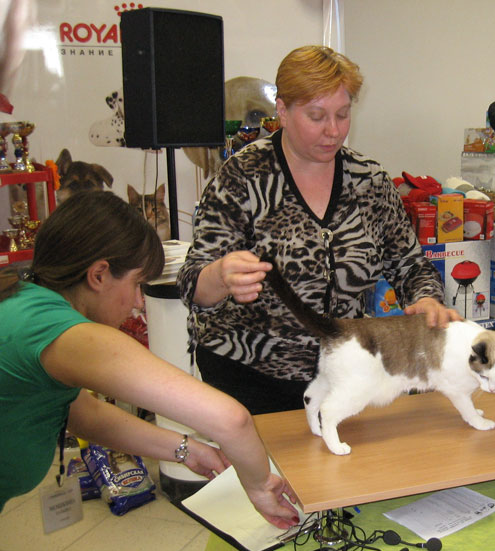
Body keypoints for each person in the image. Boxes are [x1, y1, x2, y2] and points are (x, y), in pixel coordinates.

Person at [177, 45, 458, 415]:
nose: (333, 130)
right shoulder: (242, 178)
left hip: (343, 373)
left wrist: (426, 299)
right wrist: (220, 275)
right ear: (282, 110)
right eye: (316, 116)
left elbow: (411, 266)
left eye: (343, 114)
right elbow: (191, 283)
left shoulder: (369, 181)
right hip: (250, 378)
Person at [0, 191, 298, 528]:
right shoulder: (65, 334)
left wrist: (186, 449)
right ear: (99, 275)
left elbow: (83, 414)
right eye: (137, 284)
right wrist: (260, 486)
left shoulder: (26, 304)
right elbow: (231, 420)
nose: (139, 302)